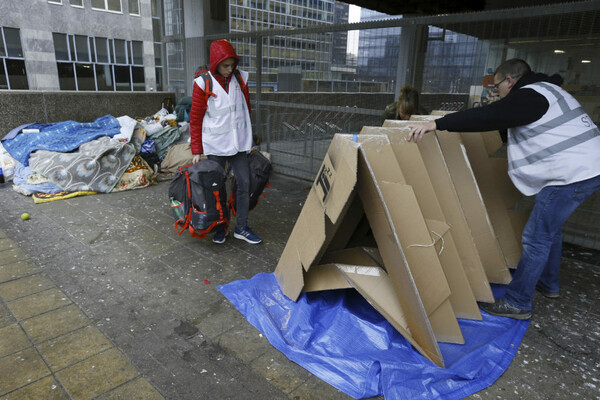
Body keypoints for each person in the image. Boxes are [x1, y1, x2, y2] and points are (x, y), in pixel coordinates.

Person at [408, 58, 600, 320]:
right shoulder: (547, 90)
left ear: (510, 80)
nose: (495, 92)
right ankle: (548, 283)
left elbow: (491, 115)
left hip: (573, 173)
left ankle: (518, 302)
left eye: (496, 86)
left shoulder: (529, 96)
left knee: (536, 237)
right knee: (548, 228)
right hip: (586, 167)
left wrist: (437, 124)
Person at [189, 39, 262, 245]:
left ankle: (242, 228)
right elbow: (195, 118)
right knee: (217, 187)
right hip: (216, 144)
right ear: (215, 64)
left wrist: (251, 139)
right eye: (225, 65)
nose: (230, 69)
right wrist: (197, 148)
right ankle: (221, 227)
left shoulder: (241, 79)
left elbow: (246, 109)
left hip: (239, 143)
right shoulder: (203, 83)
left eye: (232, 64)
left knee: (244, 184)